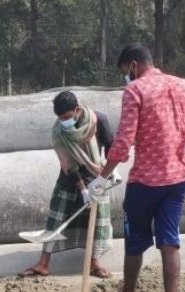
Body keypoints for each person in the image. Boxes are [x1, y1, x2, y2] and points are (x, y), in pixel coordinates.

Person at [88, 43, 185, 292]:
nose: (126, 77)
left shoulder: (135, 90)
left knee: (135, 241)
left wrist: (102, 177)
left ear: (133, 66)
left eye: (125, 72)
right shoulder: (184, 86)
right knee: (170, 242)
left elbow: (123, 142)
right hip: (176, 181)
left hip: (145, 182)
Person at [20, 91, 117, 278]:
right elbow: (68, 165)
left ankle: (93, 263)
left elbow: (111, 144)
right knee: (56, 219)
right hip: (69, 179)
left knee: (95, 222)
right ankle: (43, 264)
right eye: (59, 117)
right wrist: (82, 189)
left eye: (66, 117)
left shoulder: (98, 120)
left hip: (97, 179)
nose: (63, 121)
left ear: (76, 109)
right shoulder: (59, 131)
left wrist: (109, 171)